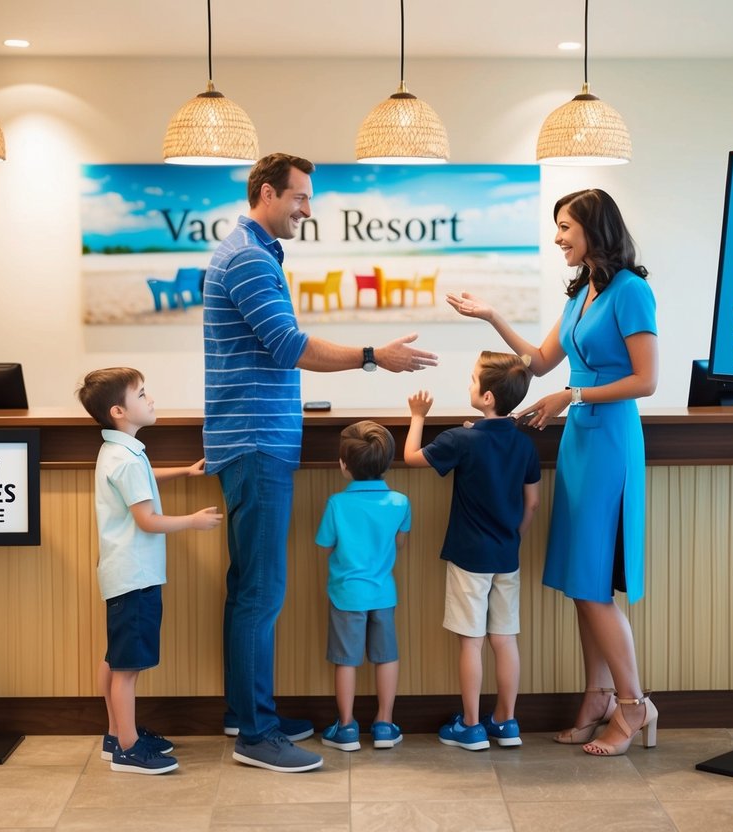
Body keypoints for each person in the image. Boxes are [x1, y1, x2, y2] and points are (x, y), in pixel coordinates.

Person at [203, 152, 438, 773]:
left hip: (252, 439)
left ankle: (246, 712)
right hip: (256, 443)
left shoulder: (250, 253)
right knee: (260, 592)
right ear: (265, 193)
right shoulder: (249, 258)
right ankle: (255, 735)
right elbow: (287, 346)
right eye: (299, 198)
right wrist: (372, 355)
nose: (308, 210)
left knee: (248, 590)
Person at [446, 188, 660, 757]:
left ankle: (634, 705)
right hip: (580, 443)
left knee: (594, 588)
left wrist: (573, 394)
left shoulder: (631, 292)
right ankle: (598, 696)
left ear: (595, 229)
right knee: (581, 584)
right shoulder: (581, 294)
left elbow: (646, 381)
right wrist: (492, 315)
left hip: (611, 440)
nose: (558, 237)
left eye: (565, 226)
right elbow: (537, 363)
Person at [76, 367, 224, 774]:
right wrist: (191, 521)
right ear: (119, 410)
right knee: (127, 668)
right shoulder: (124, 459)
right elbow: (147, 520)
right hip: (135, 576)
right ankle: (127, 747)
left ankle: (116, 734)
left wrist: (182, 472)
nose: (151, 399)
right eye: (142, 394)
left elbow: (141, 480)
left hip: (123, 574)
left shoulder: (120, 451)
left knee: (116, 658)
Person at [403, 351, 541, 751]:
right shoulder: (523, 444)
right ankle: (506, 721)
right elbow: (530, 503)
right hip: (506, 557)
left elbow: (412, 457)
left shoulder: (460, 440)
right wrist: (515, 536)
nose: (468, 384)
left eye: (471, 379)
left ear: (487, 399)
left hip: (470, 559)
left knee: (471, 642)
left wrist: (417, 416)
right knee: (504, 639)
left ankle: (470, 725)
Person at [315, 421, 410, 752]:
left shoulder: (336, 505)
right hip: (383, 593)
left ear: (344, 465)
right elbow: (400, 543)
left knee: (347, 660)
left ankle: (346, 728)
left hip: (346, 595)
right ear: (387, 464)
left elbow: (325, 545)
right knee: (386, 657)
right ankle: (384, 724)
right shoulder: (400, 503)